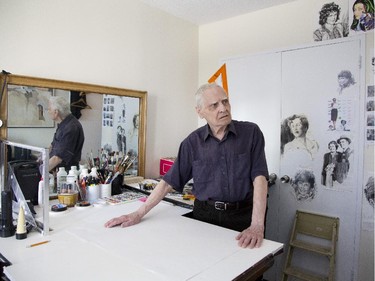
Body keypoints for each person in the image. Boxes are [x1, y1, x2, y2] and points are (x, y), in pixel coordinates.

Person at [105, 83, 269, 249]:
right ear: (199, 111)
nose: (223, 108)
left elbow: (260, 178)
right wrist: (138, 213)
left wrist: (257, 225)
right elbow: (168, 182)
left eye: (225, 102)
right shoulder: (192, 143)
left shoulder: (251, 133)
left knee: (249, 271)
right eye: (214, 105)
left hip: (243, 216)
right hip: (205, 216)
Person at [46, 96, 85, 172]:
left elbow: (58, 158)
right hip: (59, 170)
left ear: (56, 112)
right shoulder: (64, 124)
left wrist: (41, 171)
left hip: (66, 173)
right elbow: (53, 145)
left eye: (49, 109)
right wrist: (42, 157)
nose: (48, 111)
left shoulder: (71, 128)